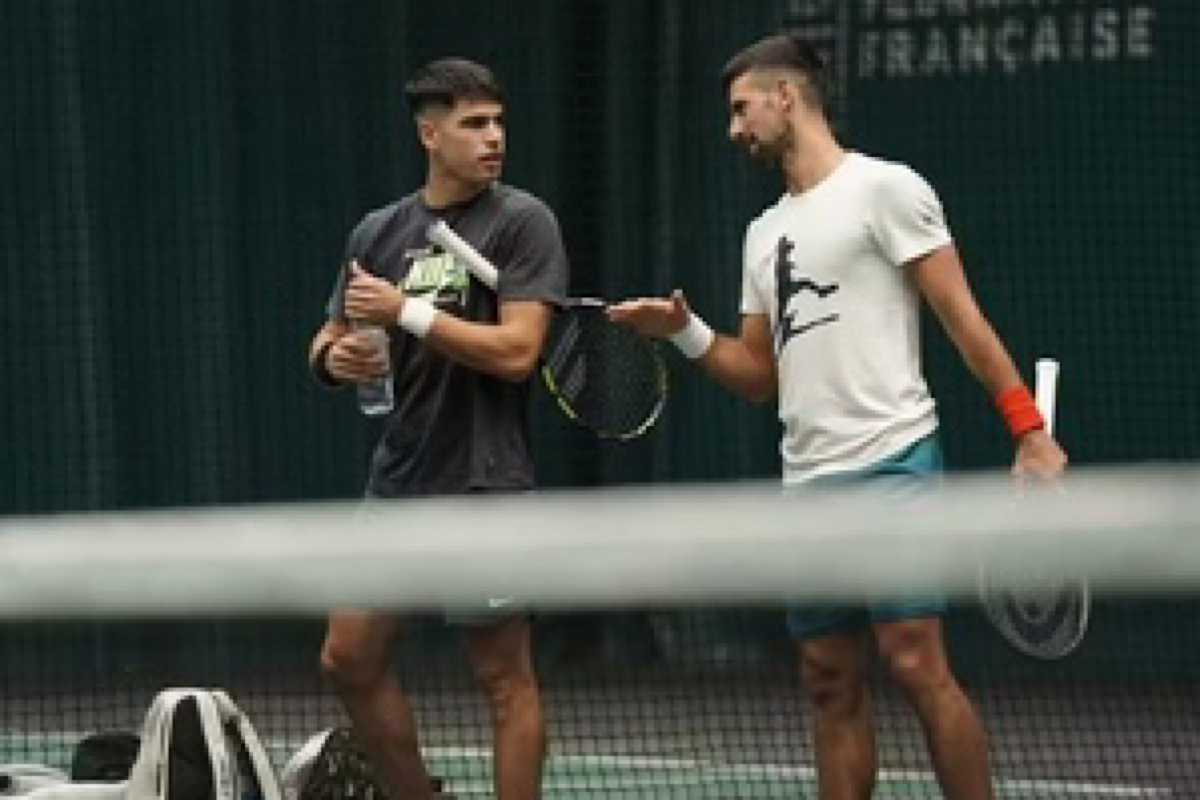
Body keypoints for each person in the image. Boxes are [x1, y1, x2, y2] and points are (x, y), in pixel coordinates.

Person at [608, 32, 1067, 800]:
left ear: (786, 97)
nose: (733, 129)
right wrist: (681, 333)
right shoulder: (761, 234)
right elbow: (760, 377)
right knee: (827, 679)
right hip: (808, 483)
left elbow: (963, 320)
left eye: (741, 108)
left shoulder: (887, 189)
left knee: (916, 660)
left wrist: (1029, 431)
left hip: (895, 459)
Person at [307, 57, 568, 800]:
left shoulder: (522, 222)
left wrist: (407, 314)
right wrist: (338, 359)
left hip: (484, 483)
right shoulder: (380, 230)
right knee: (348, 657)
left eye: (498, 123)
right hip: (398, 483)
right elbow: (326, 336)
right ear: (430, 133)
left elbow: (519, 353)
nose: (494, 138)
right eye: (473, 124)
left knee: (502, 678)